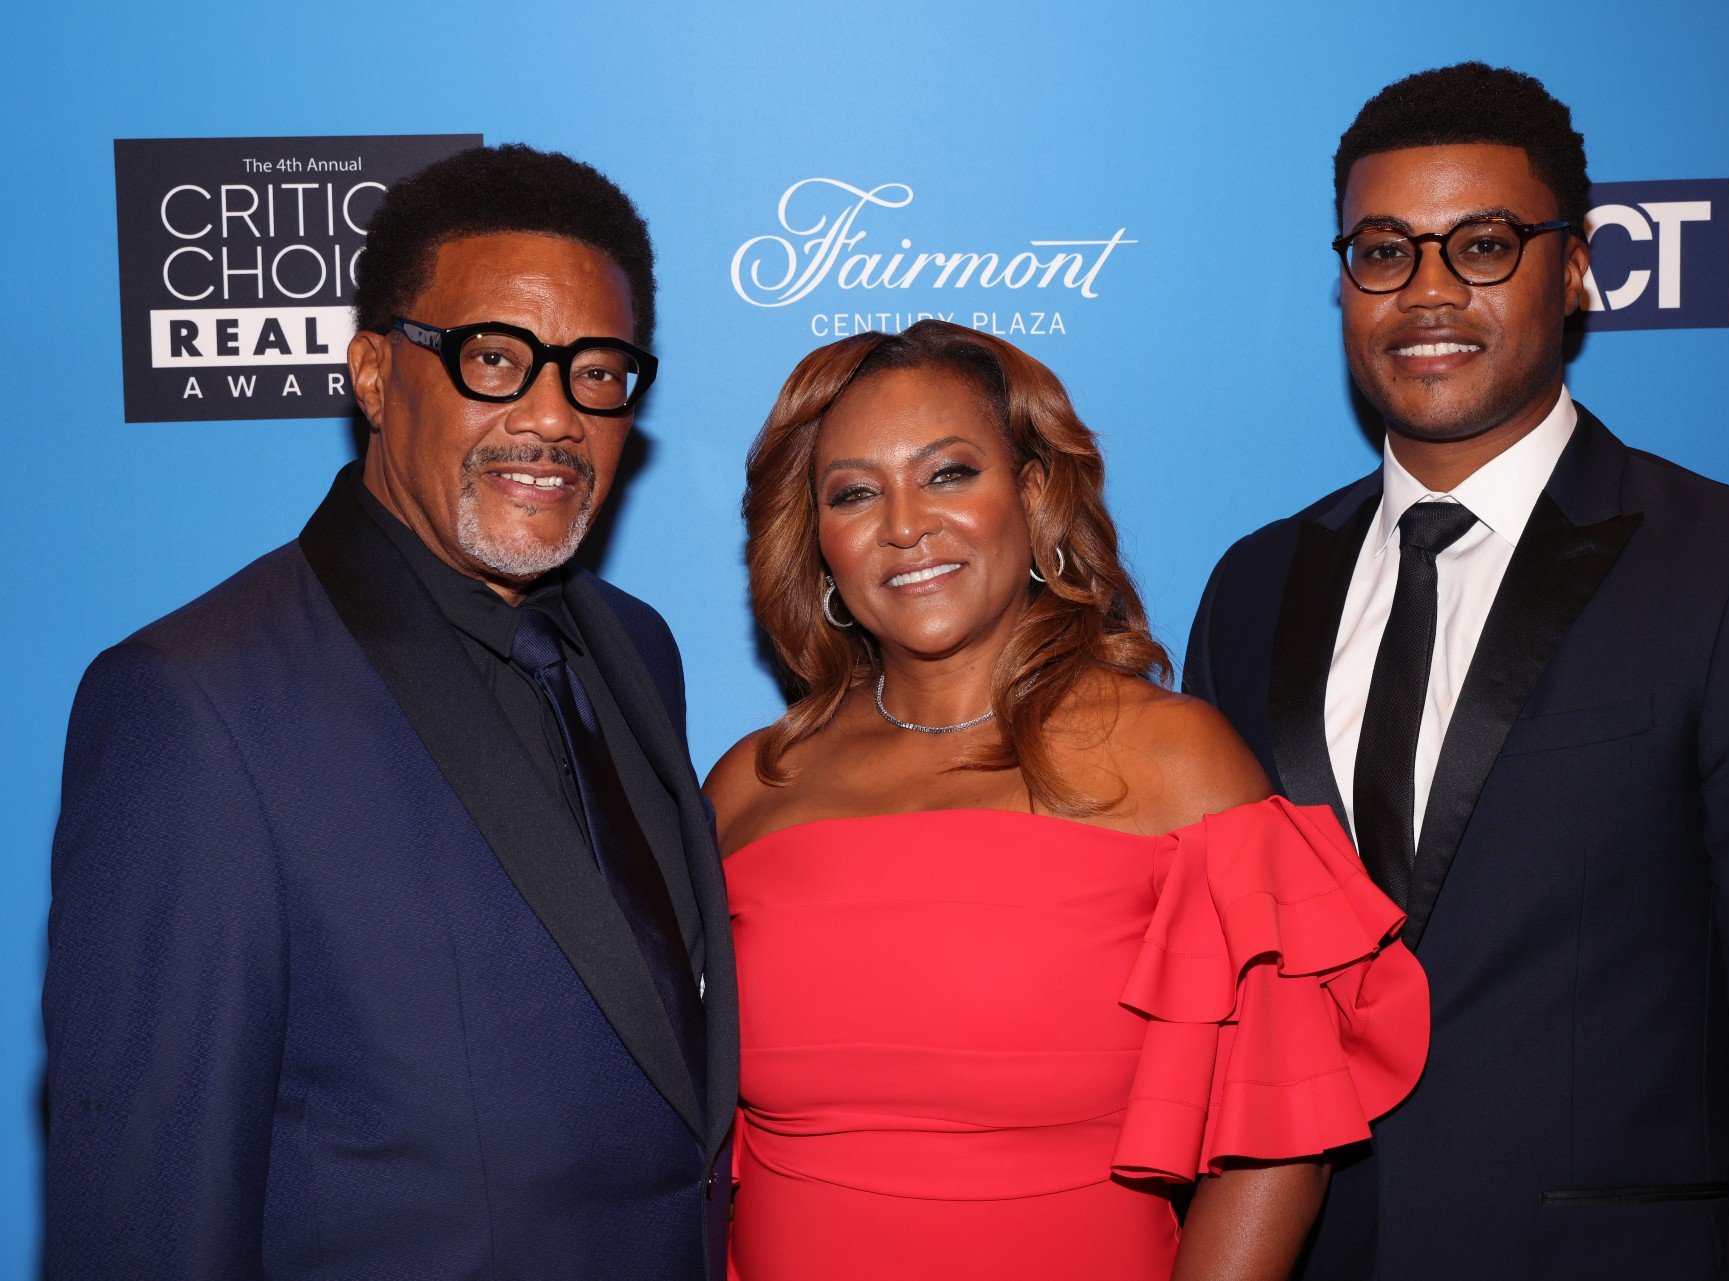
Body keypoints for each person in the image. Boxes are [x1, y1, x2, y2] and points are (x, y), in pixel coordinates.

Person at [1185, 62, 1729, 1280]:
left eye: (1481, 245)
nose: (1426, 292)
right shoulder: (1255, 583)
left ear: (1575, 269)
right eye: (1383, 250)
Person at [44, 144, 735, 1279]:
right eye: (495, 358)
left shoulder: (639, 649)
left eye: (596, 372)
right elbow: (147, 1216)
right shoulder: (194, 707)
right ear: (373, 373)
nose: (554, 417)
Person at [703, 319, 1429, 1281]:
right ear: (820, 541)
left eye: (949, 473)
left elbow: (1281, 1133)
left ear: (1034, 493)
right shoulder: (749, 787)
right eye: (854, 492)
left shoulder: (1176, 762)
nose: (905, 523)